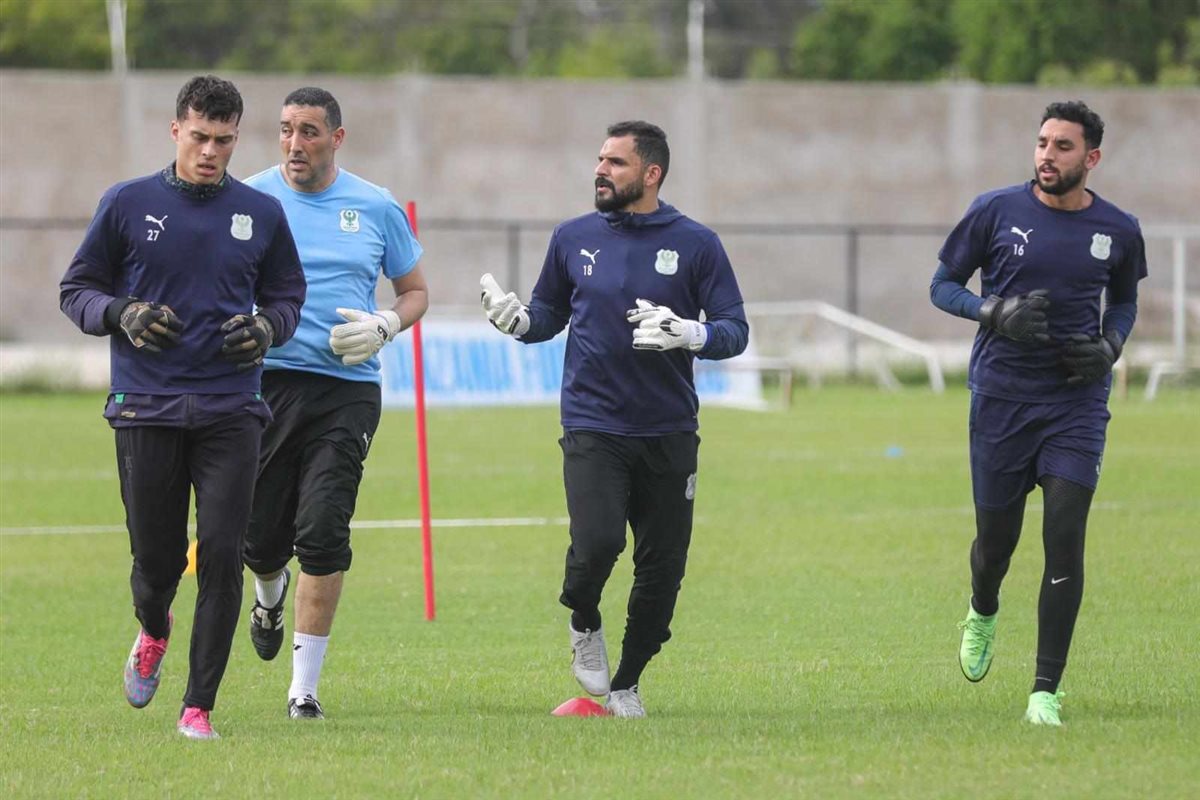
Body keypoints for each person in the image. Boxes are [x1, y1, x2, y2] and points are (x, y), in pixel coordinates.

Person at [59, 75, 306, 740]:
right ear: (176, 131)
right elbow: (77, 290)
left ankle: (198, 707)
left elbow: (287, 297)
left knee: (222, 553)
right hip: (146, 407)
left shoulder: (260, 213)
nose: (210, 152)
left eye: (224, 140)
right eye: (199, 137)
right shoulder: (127, 203)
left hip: (233, 409)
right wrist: (122, 312)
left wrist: (267, 328)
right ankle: (152, 627)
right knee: (156, 564)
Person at [479, 121, 748, 718]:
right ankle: (583, 618)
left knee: (662, 569)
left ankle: (627, 683)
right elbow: (548, 314)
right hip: (593, 423)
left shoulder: (697, 243)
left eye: (616, 163)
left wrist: (691, 333)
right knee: (597, 544)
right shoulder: (572, 237)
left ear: (651, 174)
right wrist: (518, 322)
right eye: (600, 159)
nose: (601, 170)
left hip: (670, 431)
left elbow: (735, 329)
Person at [930, 101, 1147, 726]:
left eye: (1063, 146)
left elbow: (1124, 302)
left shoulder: (1119, 229)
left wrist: (1110, 346)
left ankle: (1044, 692)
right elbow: (942, 286)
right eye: (1043, 143)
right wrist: (992, 311)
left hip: (1077, 403)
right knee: (996, 545)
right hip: (1001, 400)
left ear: (1091, 157)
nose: (1048, 155)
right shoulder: (995, 210)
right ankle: (983, 605)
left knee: (1065, 536)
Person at [241, 87, 427, 720]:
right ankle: (268, 593)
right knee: (260, 540)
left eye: (309, 132)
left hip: (347, 389)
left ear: (336, 138)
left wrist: (386, 325)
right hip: (264, 383)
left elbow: (415, 291)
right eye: (286, 130)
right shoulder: (250, 199)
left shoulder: (375, 205)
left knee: (322, 530)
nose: (294, 144)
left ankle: (304, 690)